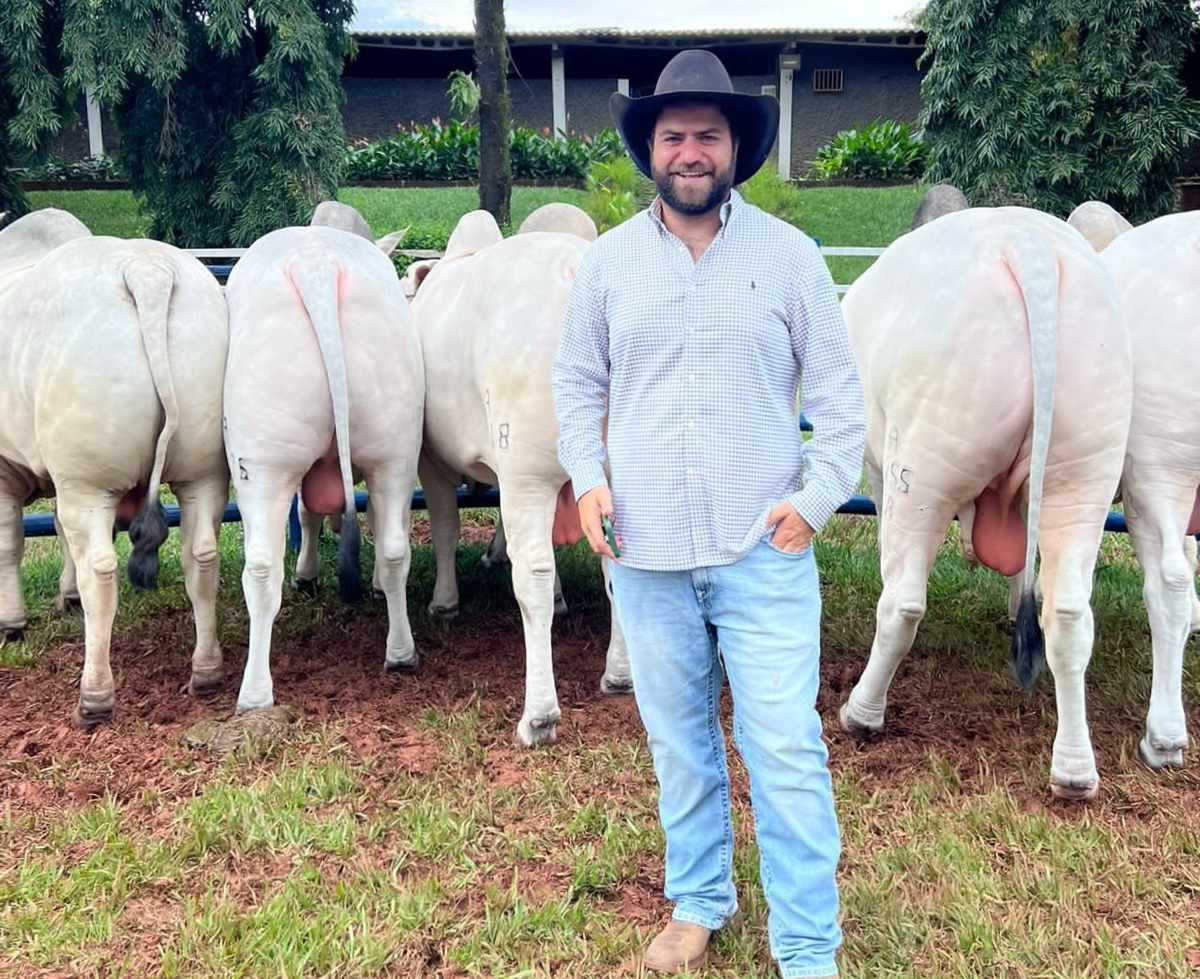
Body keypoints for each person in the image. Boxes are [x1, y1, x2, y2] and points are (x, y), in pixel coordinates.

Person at [550, 49, 866, 979]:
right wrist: (586, 474)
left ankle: (808, 946)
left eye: (708, 135)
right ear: (652, 147)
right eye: (674, 134)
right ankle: (699, 898)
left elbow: (843, 401)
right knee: (679, 740)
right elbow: (575, 385)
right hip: (643, 553)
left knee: (785, 747)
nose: (690, 150)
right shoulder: (606, 266)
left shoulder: (791, 259)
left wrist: (813, 500)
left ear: (737, 149)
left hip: (759, 548)